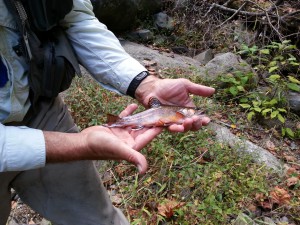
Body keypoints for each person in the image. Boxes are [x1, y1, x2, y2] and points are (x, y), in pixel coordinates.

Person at [0, 0, 215, 224]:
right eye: (193, 111)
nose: (193, 112)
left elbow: (75, 17)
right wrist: (80, 144)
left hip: (40, 106)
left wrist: (143, 84)